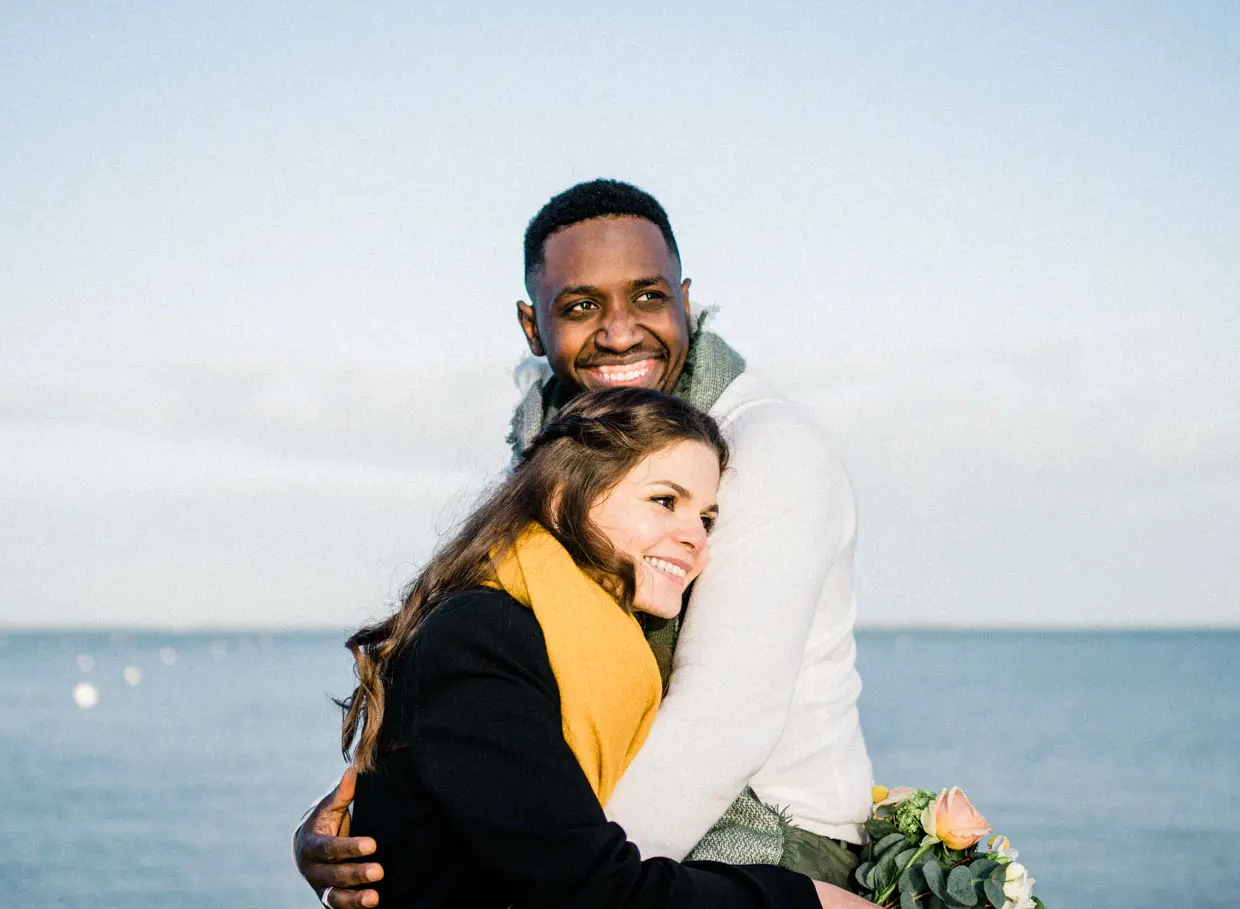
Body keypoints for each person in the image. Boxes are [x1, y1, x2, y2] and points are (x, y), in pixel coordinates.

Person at [298, 180, 873, 906]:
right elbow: (504, 683)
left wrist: (555, 883)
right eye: (579, 306)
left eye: (648, 297)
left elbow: (723, 720)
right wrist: (364, 817)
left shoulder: (765, 447)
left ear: (686, 300)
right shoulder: (571, 445)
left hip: (767, 839)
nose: (621, 331)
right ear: (532, 328)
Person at [337, 387, 865, 909]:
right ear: (564, 497)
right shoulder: (481, 637)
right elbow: (588, 889)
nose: (696, 539)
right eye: (664, 501)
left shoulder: (564, 636)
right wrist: (804, 900)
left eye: (706, 518)